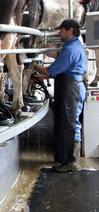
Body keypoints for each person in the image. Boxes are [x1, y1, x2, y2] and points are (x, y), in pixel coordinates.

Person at [33, 18, 87, 172]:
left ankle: (71, 162)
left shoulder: (71, 49)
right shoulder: (72, 46)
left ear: (70, 30)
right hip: (69, 86)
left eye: (62, 29)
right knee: (65, 122)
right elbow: (61, 69)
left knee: (70, 123)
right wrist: (43, 77)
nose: (59, 32)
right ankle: (64, 160)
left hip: (71, 89)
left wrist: (32, 65)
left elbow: (51, 70)